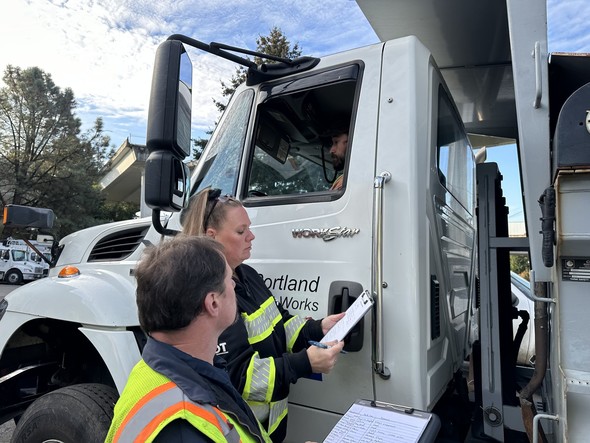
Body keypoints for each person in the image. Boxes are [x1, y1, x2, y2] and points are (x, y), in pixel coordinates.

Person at [182, 188, 345, 443]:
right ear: (211, 237)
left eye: (249, 228)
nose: (251, 236)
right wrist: (305, 363)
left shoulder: (248, 276)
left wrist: (318, 328)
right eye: (240, 231)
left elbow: (279, 323)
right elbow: (239, 377)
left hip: (271, 430)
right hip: (244, 431)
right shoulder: (212, 299)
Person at [105, 236, 271, 443]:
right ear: (213, 303)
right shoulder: (183, 428)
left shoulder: (154, 371)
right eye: (229, 279)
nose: (234, 285)